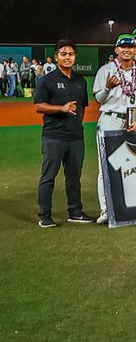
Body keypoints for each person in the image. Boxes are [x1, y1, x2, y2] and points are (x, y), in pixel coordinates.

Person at [92, 33, 136, 224]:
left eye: (130, 47)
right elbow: (98, 99)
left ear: (135, 50)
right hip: (110, 119)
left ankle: (128, 205)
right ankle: (105, 209)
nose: (127, 50)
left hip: (132, 121)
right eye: (123, 47)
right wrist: (108, 87)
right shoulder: (106, 71)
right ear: (116, 50)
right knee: (105, 167)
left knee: (129, 164)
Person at [33, 40, 93, 227]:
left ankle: (75, 212)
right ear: (57, 56)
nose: (68, 57)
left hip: (75, 137)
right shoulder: (47, 80)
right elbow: (38, 106)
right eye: (64, 54)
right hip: (54, 136)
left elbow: (82, 108)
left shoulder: (80, 81)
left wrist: (77, 126)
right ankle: (44, 216)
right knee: (48, 176)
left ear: (75, 57)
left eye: (71, 54)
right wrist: (61, 108)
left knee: (74, 177)